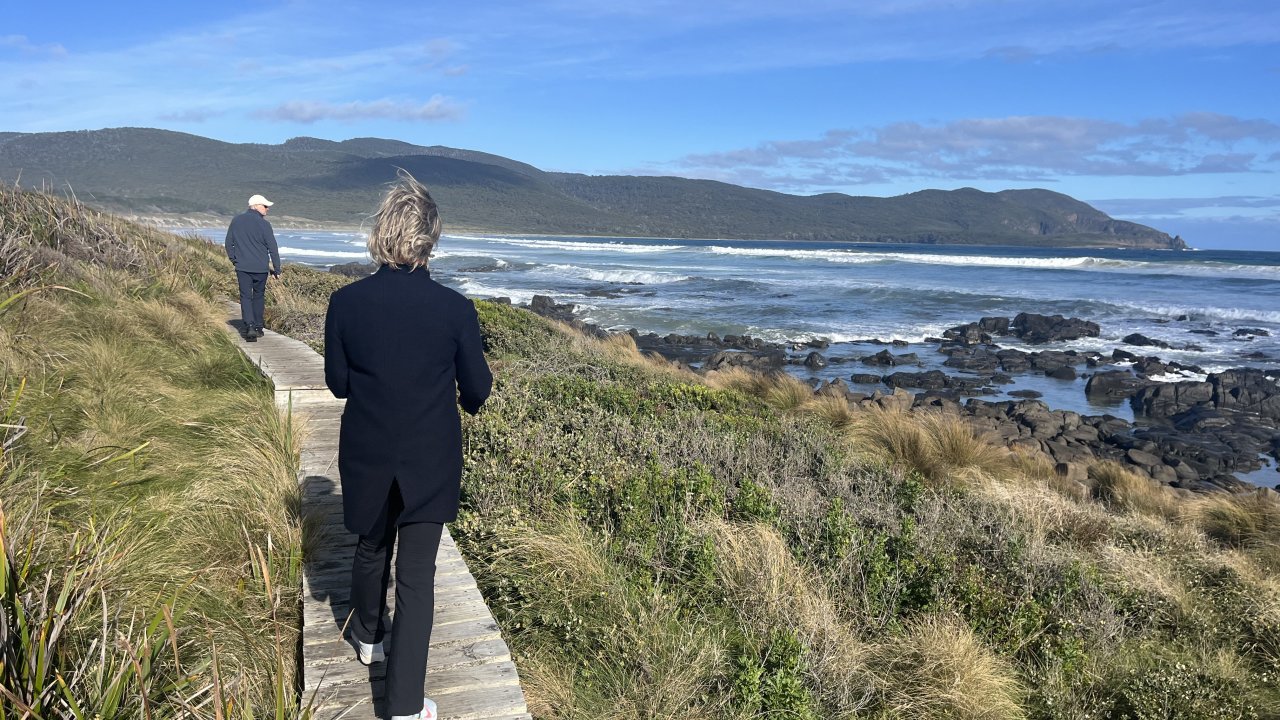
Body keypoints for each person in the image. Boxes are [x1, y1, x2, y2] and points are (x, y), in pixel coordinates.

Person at [323, 172, 492, 720]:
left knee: (371, 546)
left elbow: (338, 384)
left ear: (380, 233)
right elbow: (478, 391)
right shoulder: (455, 309)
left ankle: (368, 636)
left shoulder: (345, 302)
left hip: (366, 449)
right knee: (417, 577)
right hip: (429, 456)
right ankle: (404, 706)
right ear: (430, 239)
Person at [224, 194, 281, 342]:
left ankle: (249, 325)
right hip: (260, 268)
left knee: (245, 296)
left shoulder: (236, 220)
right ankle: (258, 327)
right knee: (258, 296)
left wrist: (234, 260)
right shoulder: (265, 225)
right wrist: (277, 268)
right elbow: (273, 248)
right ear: (255, 206)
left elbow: (229, 243)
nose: (267, 209)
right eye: (265, 206)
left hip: (242, 267)